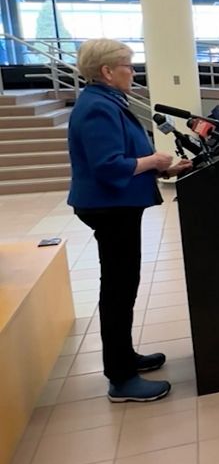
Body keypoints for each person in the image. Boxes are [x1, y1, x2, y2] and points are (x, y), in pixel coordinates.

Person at [67, 38, 192, 402]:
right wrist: (153, 162)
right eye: (127, 65)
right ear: (107, 71)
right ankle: (120, 378)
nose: (133, 71)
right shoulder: (96, 108)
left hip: (118, 205)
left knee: (123, 286)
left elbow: (123, 157)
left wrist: (163, 171)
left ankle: (125, 357)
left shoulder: (106, 101)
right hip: (110, 209)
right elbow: (108, 167)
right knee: (119, 290)